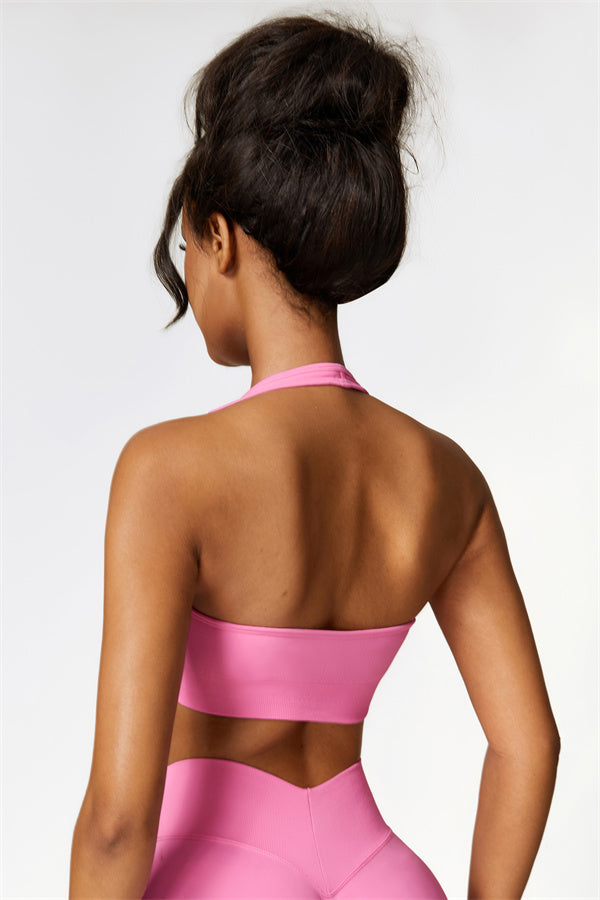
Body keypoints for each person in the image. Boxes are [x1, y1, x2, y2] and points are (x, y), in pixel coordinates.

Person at [69, 11, 560, 899]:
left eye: (186, 248)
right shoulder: (448, 479)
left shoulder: (169, 471)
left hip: (216, 873)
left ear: (218, 236)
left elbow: (117, 821)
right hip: (381, 874)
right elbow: (528, 744)